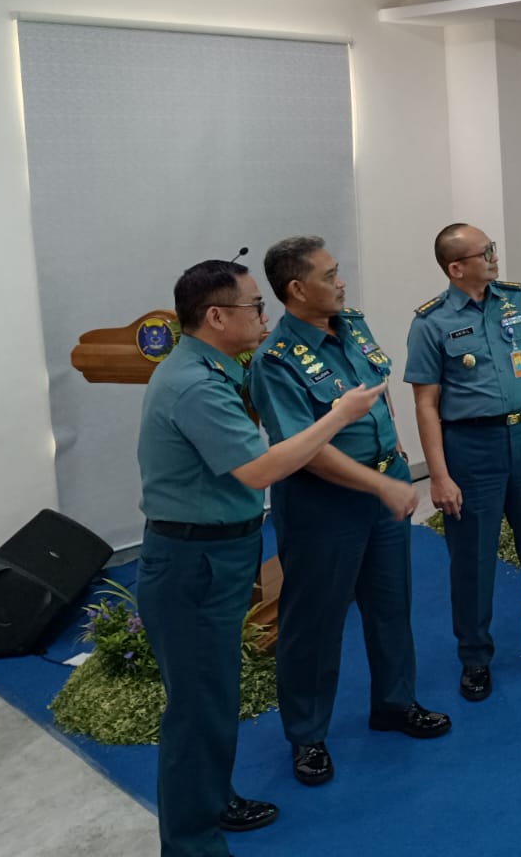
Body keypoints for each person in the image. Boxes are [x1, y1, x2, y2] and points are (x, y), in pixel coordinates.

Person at [136, 258, 385, 857]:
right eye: (253, 306)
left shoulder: (216, 368)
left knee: (216, 697)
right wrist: (337, 417)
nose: (263, 314)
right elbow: (261, 468)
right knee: (197, 712)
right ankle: (191, 842)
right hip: (193, 563)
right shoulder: (195, 385)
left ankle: (214, 798)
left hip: (219, 554)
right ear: (216, 316)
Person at [247, 237, 450, 789]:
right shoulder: (275, 362)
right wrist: (382, 487)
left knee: (391, 604)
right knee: (314, 623)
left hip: (382, 486)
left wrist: (399, 455)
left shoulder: (352, 323)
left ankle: (394, 702)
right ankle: (308, 736)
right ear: (296, 289)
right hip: (324, 508)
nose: (342, 283)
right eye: (331, 275)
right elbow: (304, 450)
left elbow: (378, 392)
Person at [404, 224, 521, 702]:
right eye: (485, 253)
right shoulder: (431, 323)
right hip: (469, 447)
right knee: (473, 558)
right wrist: (438, 474)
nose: (495, 258)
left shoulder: (515, 301)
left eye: (492, 249)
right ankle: (475, 658)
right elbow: (425, 403)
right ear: (456, 268)